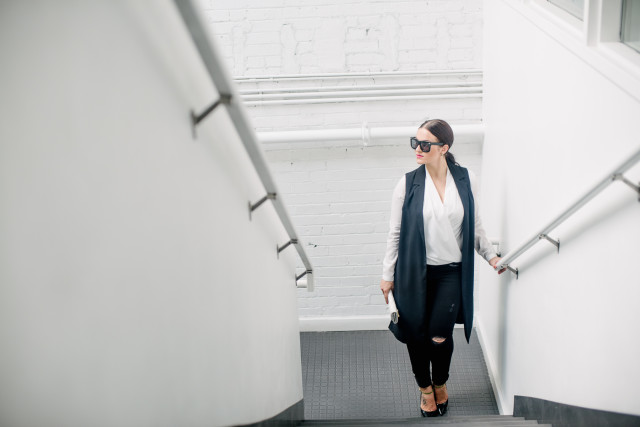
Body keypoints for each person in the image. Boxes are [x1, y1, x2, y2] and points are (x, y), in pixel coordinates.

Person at [380, 119, 504, 417]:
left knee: (439, 335)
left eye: (425, 144)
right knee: (415, 334)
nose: (417, 150)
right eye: (415, 142)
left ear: (444, 148)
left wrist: (491, 256)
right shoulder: (407, 183)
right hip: (412, 273)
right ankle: (425, 389)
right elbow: (394, 232)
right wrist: (386, 275)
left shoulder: (465, 179)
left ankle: (440, 382)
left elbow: (474, 225)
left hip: (450, 272)